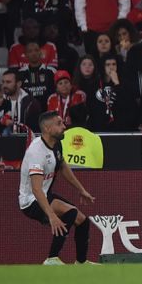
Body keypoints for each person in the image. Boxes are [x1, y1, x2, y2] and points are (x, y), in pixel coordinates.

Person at [18, 110, 96, 265]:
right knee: (71, 213)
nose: (64, 126)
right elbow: (36, 189)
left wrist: (81, 190)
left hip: (44, 194)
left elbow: (62, 167)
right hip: (30, 201)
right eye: (59, 124)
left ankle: (81, 262)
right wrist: (52, 216)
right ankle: (52, 258)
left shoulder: (56, 143)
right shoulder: (36, 152)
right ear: (47, 129)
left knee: (82, 221)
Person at [0, 68, 42, 135]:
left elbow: (35, 130)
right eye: (3, 82)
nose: (4, 85)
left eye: (8, 82)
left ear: (19, 84)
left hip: (25, 140)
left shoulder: (32, 103)